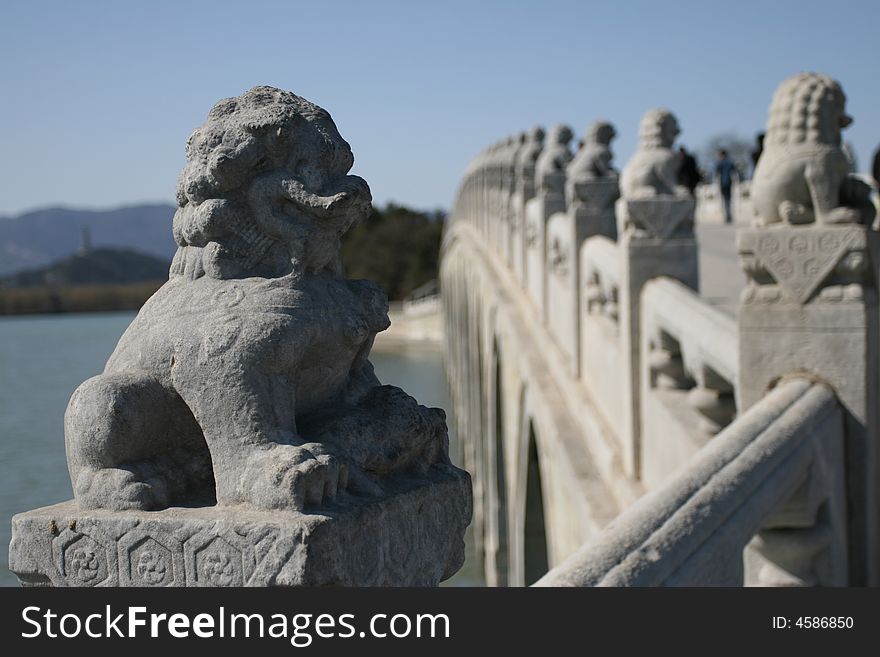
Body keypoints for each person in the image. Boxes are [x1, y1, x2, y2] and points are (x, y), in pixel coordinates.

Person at [714, 149, 738, 223]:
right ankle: (729, 215)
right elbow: (735, 171)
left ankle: (727, 216)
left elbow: (716, 172)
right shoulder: (730, 162)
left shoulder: (720, 163)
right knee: (728, 200)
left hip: (723, 183)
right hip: (729, 183)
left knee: (725, 200)